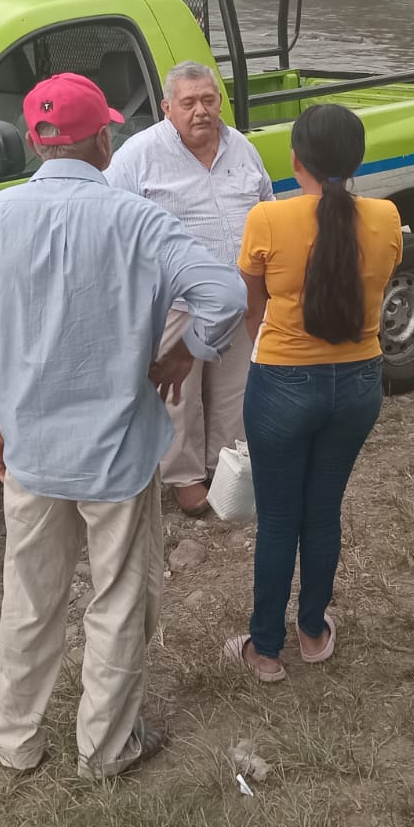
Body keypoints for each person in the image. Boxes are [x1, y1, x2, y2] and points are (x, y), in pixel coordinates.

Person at [0, 72, 245, 779]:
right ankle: (106, 748)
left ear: (33, 141)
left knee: (30, 596)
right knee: (118, 599)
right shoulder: (133, 218)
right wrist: (182, 353)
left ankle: (14, 740)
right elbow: (223, 294)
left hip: (31, 452)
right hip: (117, 456)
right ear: (104, 139)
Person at [222, 104, 402, 682]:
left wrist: (279, 349)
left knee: (278, 519)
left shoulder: (266, 220)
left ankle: (267, 648)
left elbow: (253, 309)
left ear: (294, 160)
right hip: (358, 385)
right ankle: (314, 630)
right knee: (323, 513)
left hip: (282, 382)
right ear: (356, 160)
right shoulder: (386, 217)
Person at [106, 60, 275, 517]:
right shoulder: (137, 156)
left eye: (209, 99)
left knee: (236, 390)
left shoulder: (242, 148)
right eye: (189, 102)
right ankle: (185, 478)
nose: (201, 110)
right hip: (175, 301)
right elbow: (109, 225)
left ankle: (228, 468)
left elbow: (267, 208)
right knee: (179, 395)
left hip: (240, 295)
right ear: (166, 107)